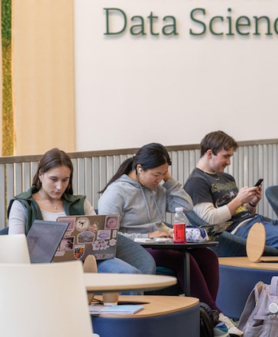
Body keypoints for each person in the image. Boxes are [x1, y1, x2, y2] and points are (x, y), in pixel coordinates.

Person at [98, 143, 241, 336]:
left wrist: (169, 180)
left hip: (160, 244)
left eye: (163, 174)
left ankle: (203, 318)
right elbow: (108, 236)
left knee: (207, 256)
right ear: (139, 168)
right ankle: (215, 314)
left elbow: (186, 205)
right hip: (132, 250)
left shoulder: (157, 188)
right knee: (181, 259)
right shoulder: (116, 193)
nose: (159, 180)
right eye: (156, 174)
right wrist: (144, 236)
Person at [7, 148, 154, 275]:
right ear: (41, 175)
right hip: (42, 268)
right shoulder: (22, 205)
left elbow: (99, 237)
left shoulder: (80, 203)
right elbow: (15, 248)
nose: (59, 186)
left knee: (130, 274)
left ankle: (126, 308)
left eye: (65, 180)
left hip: (86, 262)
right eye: (54, 179)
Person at [184, 130, 278, 257]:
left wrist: (251, 203)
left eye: (230, 157)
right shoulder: (197, 182)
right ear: (210, 154)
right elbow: (210, 220)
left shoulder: (226, 177)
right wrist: (239, 200)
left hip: (255, 221)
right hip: (236, 232)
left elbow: (241, 212)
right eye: (225, 156)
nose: (229, 162)